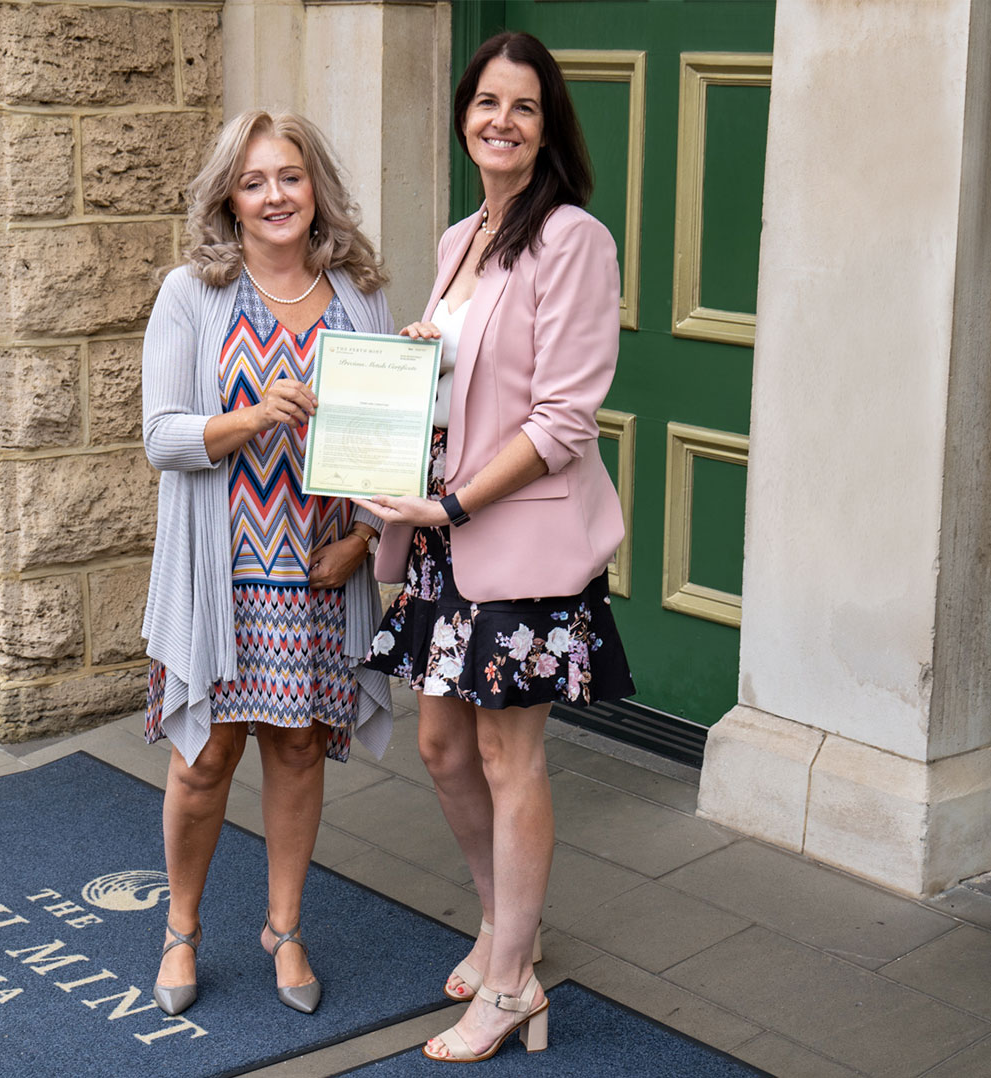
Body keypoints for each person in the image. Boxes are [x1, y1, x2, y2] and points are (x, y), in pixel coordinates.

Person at [356, 31, 636, 1063]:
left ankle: (514, 981)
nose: (501, 122)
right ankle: (502, 922)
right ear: (464, 117)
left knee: (509, 755)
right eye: (486, 103)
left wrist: (455, 503)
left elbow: (563, 419)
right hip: (444, 538)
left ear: (547, 125)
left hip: (511, 537)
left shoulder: (573, 240)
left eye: (523, 106)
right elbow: (468, 379)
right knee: (442, 747)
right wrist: (416, 368)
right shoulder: (460, 237)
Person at [140, 109, 394, 1017]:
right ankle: (181, 927)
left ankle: (284, 928)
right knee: (205, 757)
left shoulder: (359, 294)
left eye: (290, 176)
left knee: (296, 748)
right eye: (254, 182)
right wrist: (252, 416)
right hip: (222, 571)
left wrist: (363, 543)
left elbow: (393, 441)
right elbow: (161, 437)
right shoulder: (191, 293)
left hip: (317, 567)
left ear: (315, 187)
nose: (275, 196)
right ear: (230, 200)